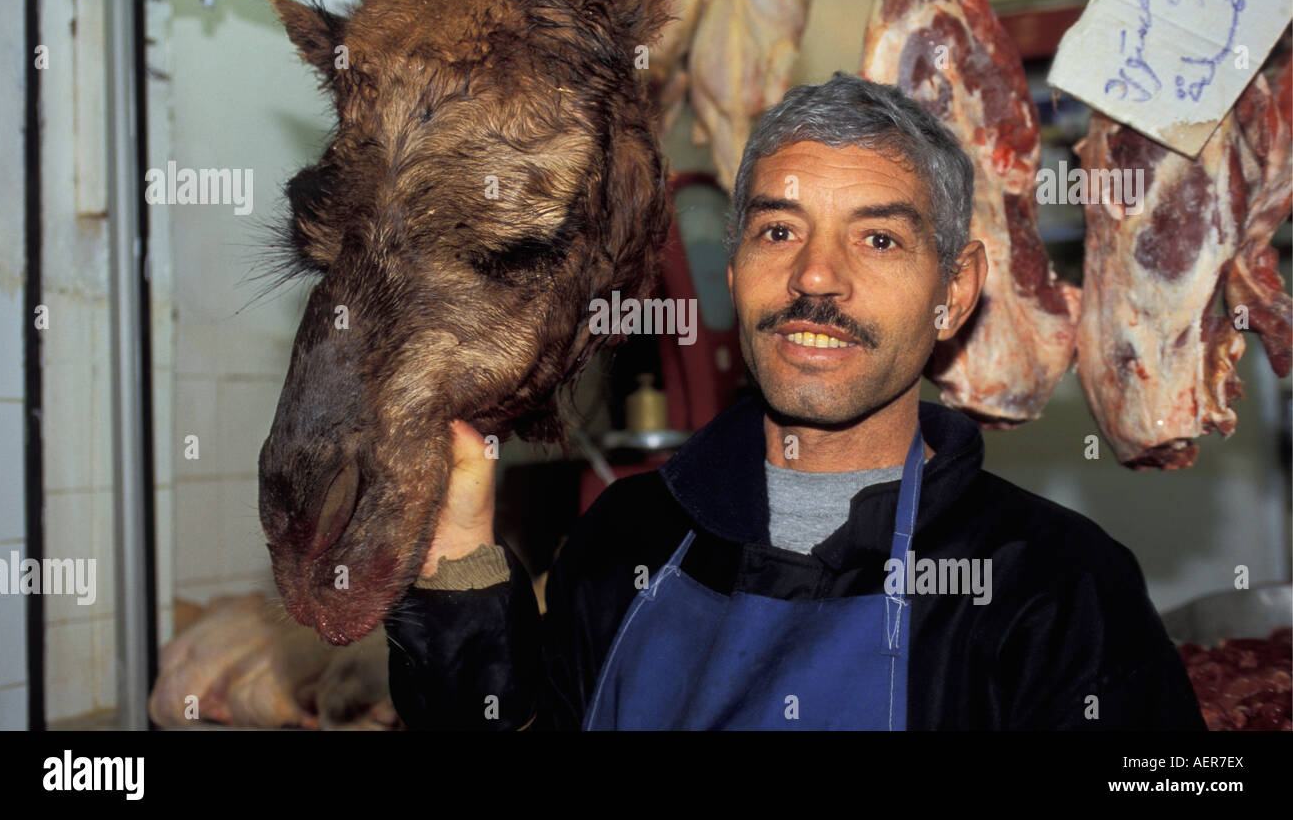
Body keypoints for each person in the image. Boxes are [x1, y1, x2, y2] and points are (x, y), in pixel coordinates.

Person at [383, 73, 1207, 731]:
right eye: (780, 230)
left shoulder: (1056, 589)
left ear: (953, 294)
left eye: (878, 239)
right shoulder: (624, 542)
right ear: (736, 271)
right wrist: (456, 558)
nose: (816, 276)